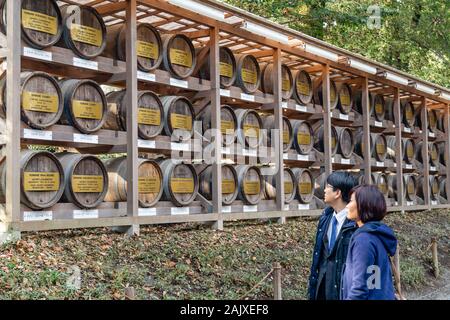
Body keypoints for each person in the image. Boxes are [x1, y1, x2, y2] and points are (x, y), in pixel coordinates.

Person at [308, 171, 358, 300]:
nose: (324, 190)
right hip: (322, 288)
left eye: (328, 187)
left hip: (343, 290)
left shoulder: (355, 223)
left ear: (338, 193)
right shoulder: (326, 218)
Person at [342, 185, 397, 300]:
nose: (347, 206)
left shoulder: (364, 240)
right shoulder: (375, 233)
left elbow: (359, 288)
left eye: (351, 201)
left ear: (363, 205)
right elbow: (373, 281)